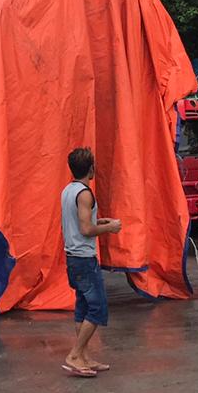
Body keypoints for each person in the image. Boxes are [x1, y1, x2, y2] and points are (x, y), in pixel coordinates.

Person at [60, 147, 121, 378]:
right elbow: (85, 229)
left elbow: (78, 221)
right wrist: (109, 228)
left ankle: (84, 356)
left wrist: (99, 219)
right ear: (91, 169)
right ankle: (75, 354)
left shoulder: (68, 190)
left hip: (72, 257)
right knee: (97, 308)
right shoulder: (85, 193)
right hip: (84, 259)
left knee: (83, 307)